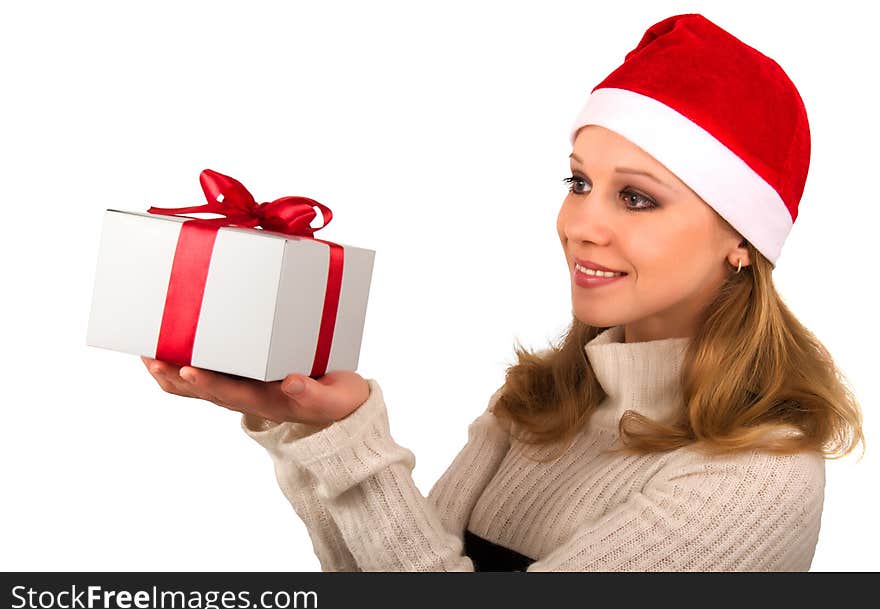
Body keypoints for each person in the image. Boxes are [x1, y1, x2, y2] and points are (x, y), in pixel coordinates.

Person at [142, 13, 864, 571]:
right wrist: (311, 426)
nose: (582, 224)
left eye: (637, 199)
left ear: (743, 241)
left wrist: (358, 437)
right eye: (578, 181)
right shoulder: (542, 405)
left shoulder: (755, 477)